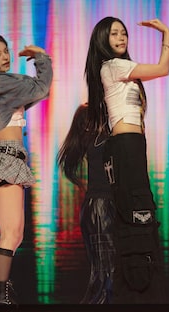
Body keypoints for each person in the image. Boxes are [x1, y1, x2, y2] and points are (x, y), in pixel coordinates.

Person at [83, 17, 169, 303]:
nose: (121, 38)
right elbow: (163, 69)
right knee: (136, 211)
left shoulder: (121, 68)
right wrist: (166, 34)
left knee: (138, 210)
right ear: (103, 40)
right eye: (114, 34)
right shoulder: (113, 65)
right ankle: (135, 285)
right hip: (125, 146)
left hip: (132, 145)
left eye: (124, 33)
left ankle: (140, 284)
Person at [0, 29, 52, 305]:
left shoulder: (1, 84)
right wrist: (41, 58)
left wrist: (41, 65)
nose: (5, 57)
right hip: (7, 159)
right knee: (11, 234)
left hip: (12, 158)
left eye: (6, 51)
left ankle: (0, 292)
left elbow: (37, 93)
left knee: (15, 235)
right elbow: (41, 88)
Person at [57, 103, 114, 304]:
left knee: (101, 275)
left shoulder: (98, 139)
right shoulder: (99, 140)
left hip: (98, 208)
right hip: (99, 210)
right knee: (106, 276)